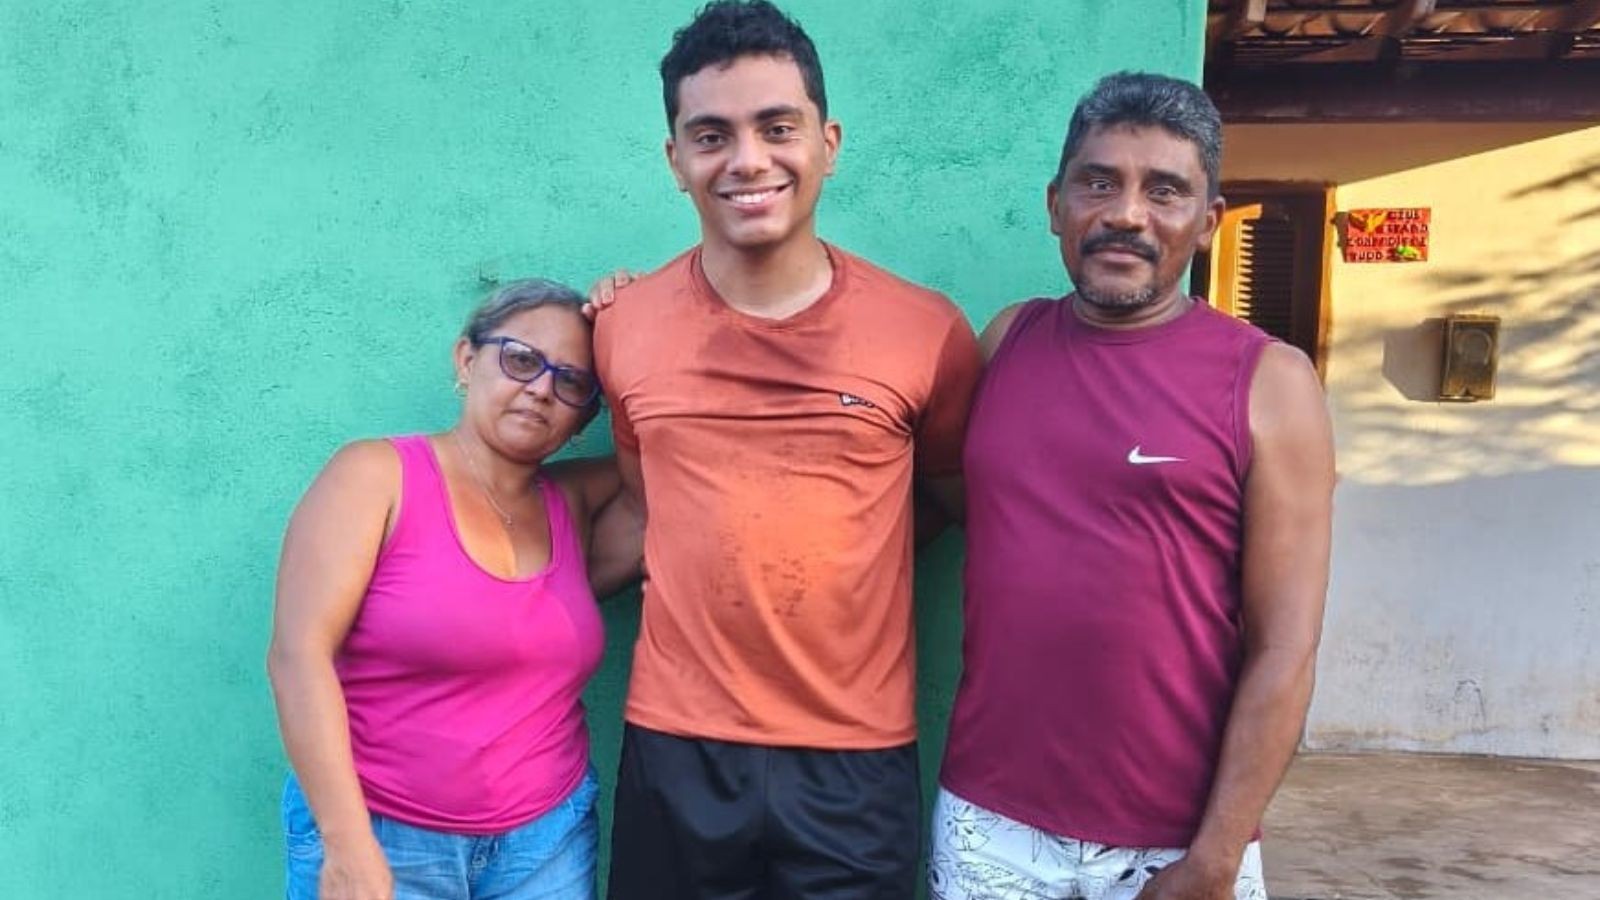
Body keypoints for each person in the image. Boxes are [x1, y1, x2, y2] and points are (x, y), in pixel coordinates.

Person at [588, 2, 982, 898]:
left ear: (828, 142)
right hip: (674, 746)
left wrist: (836, 554)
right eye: (712, 134)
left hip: (854, 756)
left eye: (778, 127)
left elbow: (950, 503)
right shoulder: (623, 325)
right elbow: (646, 506)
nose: (749, 160)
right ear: (676, 160)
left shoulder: (924, 330)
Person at [932, 73, 1336, 900]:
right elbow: (954, 497)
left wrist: (1217, 856)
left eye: (1165, 190)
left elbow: (1285, 647)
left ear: (1208, 220)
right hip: (988, 819)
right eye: (1098, 181)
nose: (1125, 213)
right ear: (1056, 205)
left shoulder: (1269, 382)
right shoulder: (1007, 342)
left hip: (1177, 840)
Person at [267, 278, 642, 900]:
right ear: (466, 360)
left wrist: (639, 322)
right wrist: (348, 843)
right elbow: (297, 656)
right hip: (386, 836)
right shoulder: (376, 476)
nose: (541, 388)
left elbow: (675, 470)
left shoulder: (571, 503)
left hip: (544, 845)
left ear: (585, 416)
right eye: (520, 359)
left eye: (572, 382)